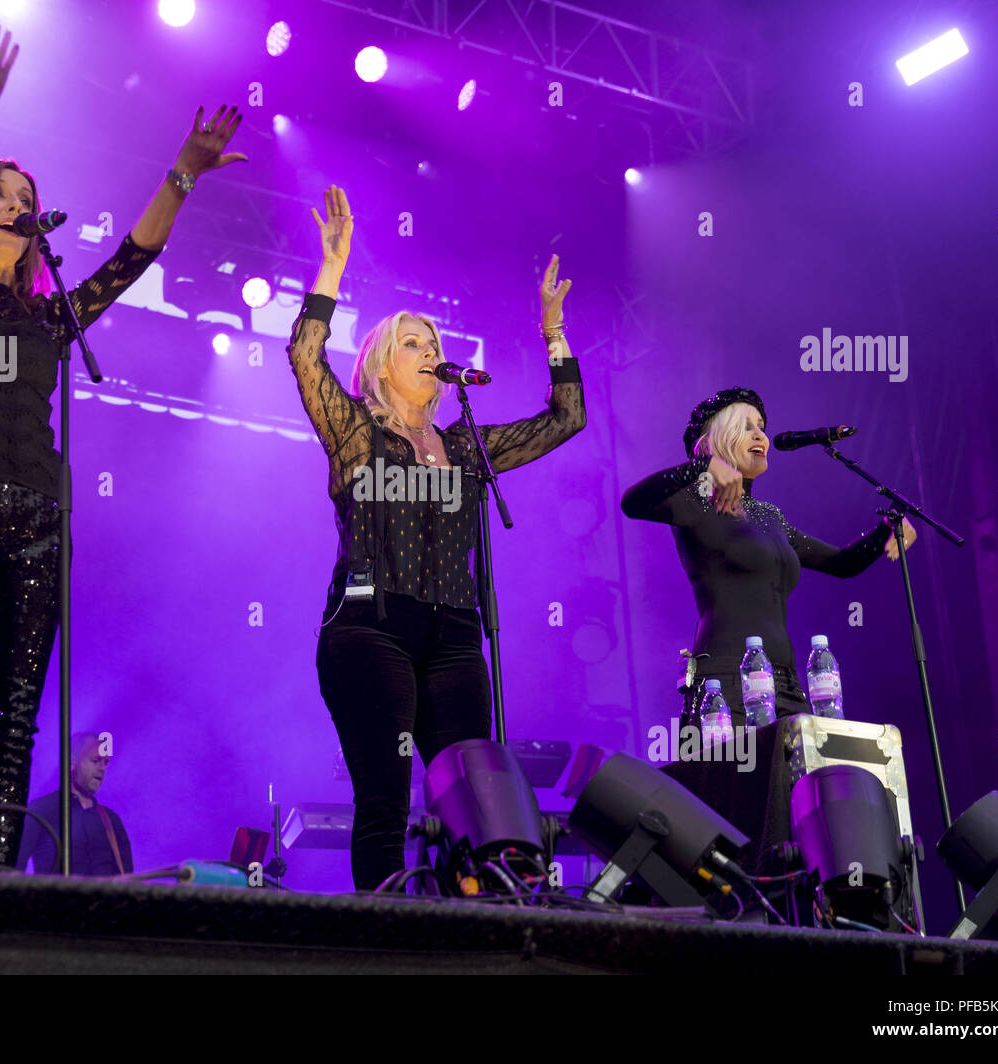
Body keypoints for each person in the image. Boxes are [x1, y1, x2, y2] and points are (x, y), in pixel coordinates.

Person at [0, 23, 246, 865]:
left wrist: (183, 175)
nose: (22, 201)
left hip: (40, 519)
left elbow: (129, 262)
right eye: (6, 192)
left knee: (20, 721)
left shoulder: (47, 315)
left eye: (29, 192)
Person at [287, 185, 587, 891]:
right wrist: (331, 270)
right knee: (386, 800)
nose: (430, 352)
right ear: (383, 364)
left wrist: (552, 330)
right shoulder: (357, 434)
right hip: (372, 626)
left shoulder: (466, 444)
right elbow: (304, 357)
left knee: (474, 807)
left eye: (435, 344)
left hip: (454, 634)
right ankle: (385, 944)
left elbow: (564, 418)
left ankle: (470, 936)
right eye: (413, 343)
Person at [620, 387, 916, 727]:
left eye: (761, 425)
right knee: (738, 779)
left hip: (787, 686)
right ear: (719, 437)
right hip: (726, 683)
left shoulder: (769, 516)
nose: (761, 435)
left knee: (804, 778)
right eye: (746, 426)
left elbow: (842, 563)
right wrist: (703, 466)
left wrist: (887, 527)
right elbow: (632, 502)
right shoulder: (698, 499)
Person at [16, 732, 132, 876]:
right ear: (72, 762)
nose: (102, 768)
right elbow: (15, 869)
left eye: (105, 763)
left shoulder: (111, 820)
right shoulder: (41, 810)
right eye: (96, 760)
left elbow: (128, 879)